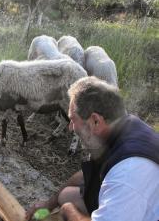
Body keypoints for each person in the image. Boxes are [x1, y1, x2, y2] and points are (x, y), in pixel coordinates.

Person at [26, 76, 159, 221]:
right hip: (132, 205)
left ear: (95, 121)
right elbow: (87, 174)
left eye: (73, 120)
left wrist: (68, 211)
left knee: (67, 206)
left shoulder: (128, 173)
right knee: (66, 195)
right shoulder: (121, 127)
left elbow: (123, 180)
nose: (70, 128)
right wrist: (49, 204)